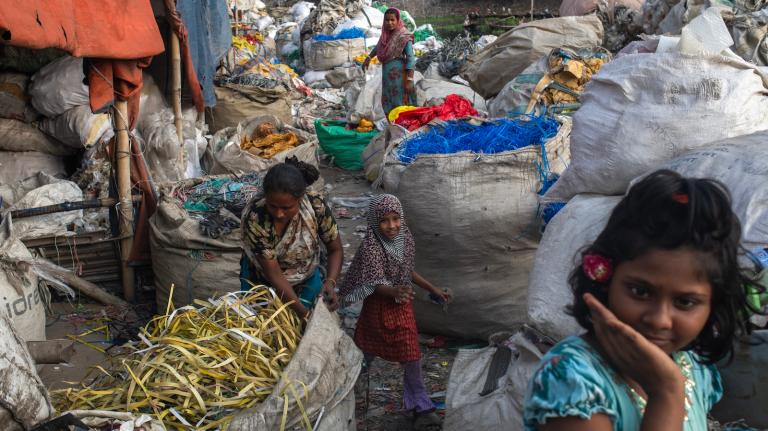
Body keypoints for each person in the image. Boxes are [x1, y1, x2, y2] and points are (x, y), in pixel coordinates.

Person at [523, 170, 764, 431]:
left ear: (712, 306)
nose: (659, 319)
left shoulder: (688, 364)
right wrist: (667, 393)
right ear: (605, 278)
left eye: (685, 303)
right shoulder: (572, 379)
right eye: (640, 292)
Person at [340, 194, 451, 430]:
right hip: (377, 307)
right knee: (365, 353)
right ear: (374, 222)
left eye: (395, 218)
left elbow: (407, 270)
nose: (392, 226)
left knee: (411, 352)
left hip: (401, 306)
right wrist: (393, 292)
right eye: (384, 221)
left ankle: (421, 405)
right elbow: (372, 281)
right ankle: (347, 393)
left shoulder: (405, 238)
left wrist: (433, 289)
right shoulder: (372, 245)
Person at [240, 157, 343, 318]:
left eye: (287, 207)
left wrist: (330, 281)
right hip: (262, 280)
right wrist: (304, 314)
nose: (279, 213)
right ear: (266, 197)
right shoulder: (256, 217)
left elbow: (335, 248)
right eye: (273, 206)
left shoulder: (315, 205)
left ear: (301, 198)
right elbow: (273, 273)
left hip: (306, 276)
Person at [362, 8, 417, 117]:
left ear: (398, 20)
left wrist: (410, 80)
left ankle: (404, 126)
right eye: (387, 20)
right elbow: (378, 47)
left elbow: (411, 58)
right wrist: (368, 58)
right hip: (387, 78)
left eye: (392, 20)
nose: (390, 23)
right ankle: (393, 124)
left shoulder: (404, 36)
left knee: (401, 102)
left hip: (400, 77)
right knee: (388, 102)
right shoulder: (385, 35)